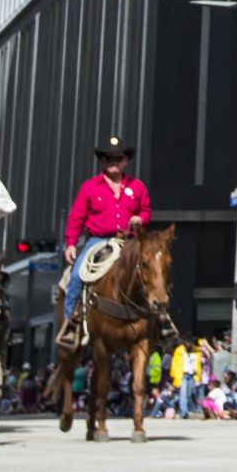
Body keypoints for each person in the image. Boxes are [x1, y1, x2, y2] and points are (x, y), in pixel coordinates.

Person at [56, 134, 151, 354]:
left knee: (152, 271)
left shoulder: (136, 187)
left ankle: (160, 318)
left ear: (125, 161)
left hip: (129, 240)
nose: (113, 162)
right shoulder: (90, 187)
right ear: (103, 161)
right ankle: (72, 322)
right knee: (78, 274)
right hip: (98, 240)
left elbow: (145, 210)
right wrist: (71, 244)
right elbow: (76, 218)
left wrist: (140, 219)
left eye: (118, 158)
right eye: (109, 159)